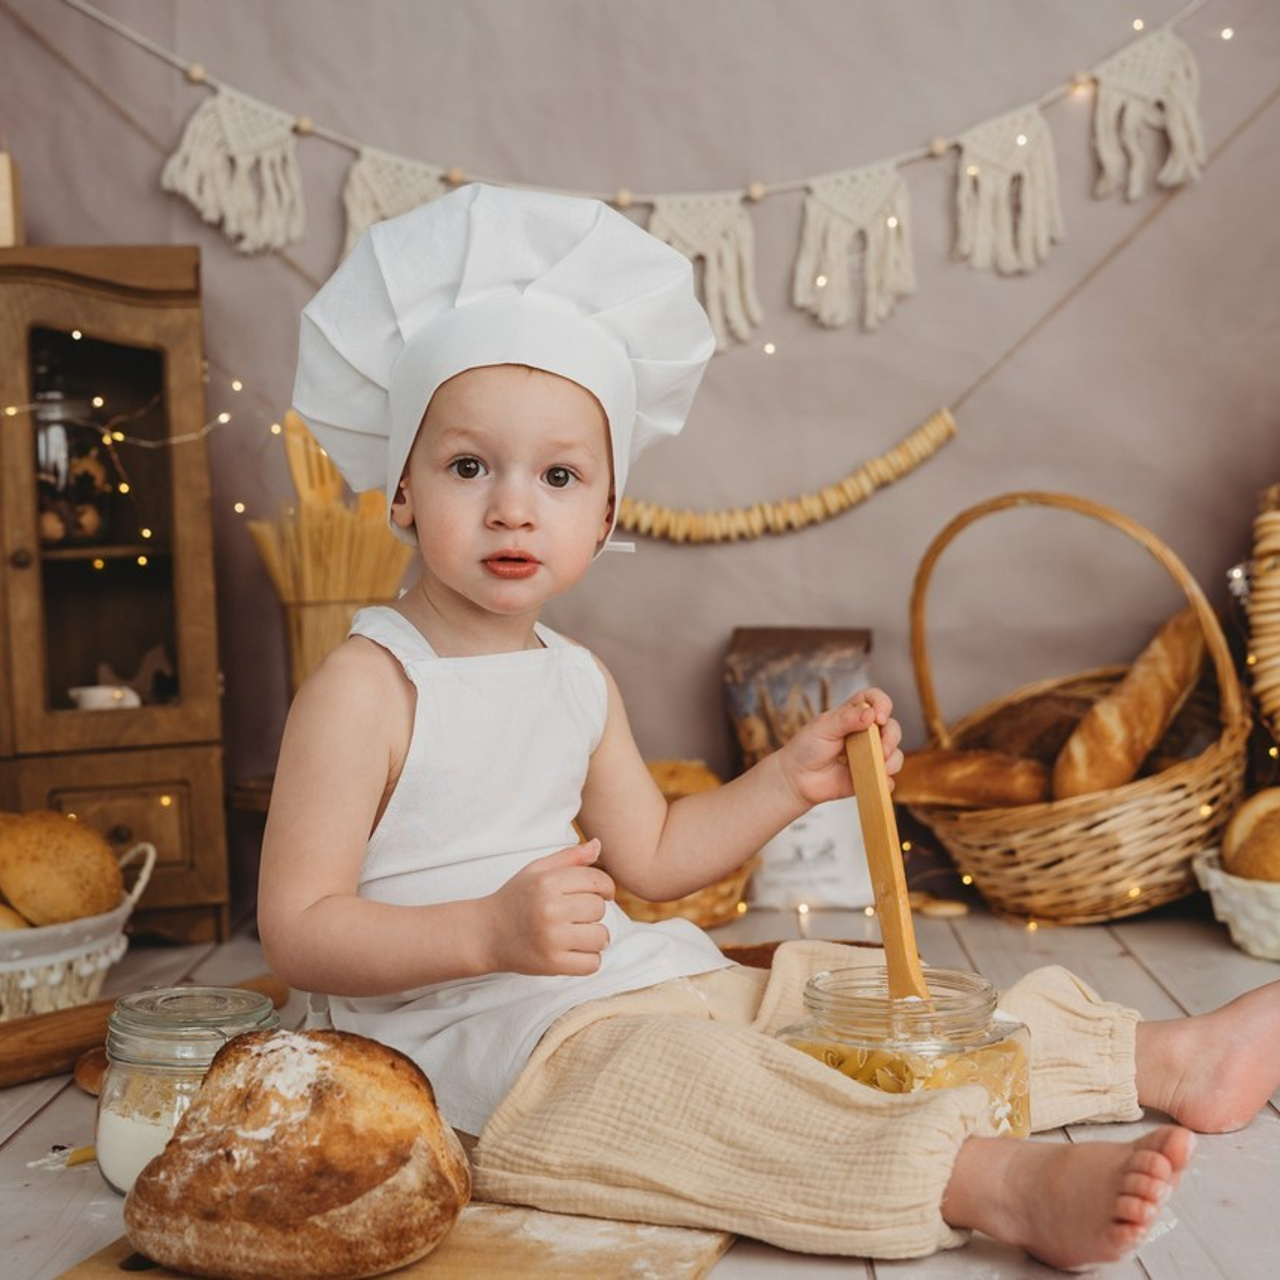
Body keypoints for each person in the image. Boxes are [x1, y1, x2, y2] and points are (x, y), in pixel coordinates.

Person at [259, 183, 1280, 1270]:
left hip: (624, 980)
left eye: (558, 475)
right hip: (462, 1051)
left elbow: (652, 854)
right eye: (469, 467)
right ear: (400, 491)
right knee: (705, 1094)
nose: (515, 505)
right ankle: (990, 1181)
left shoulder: (575, 676)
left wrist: (788, 779)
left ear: (604, 517)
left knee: (816, 995)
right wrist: (484, 937)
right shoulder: (366, 687)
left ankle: (1148, 1054)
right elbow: (298, 926)